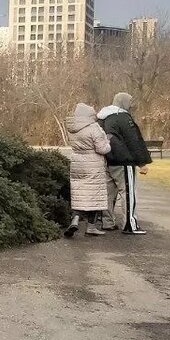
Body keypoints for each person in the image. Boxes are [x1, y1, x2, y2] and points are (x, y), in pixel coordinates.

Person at [97, 92, 151, 235]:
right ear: (124, 103)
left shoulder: (103, 118)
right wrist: (142, 163)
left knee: (108, 193)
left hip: (108, 160)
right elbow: (133, 141)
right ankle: (130, 224)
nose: (131, 104)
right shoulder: (124, 118)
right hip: (124, 161)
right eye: (130, 101)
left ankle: (107, 222)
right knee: (127, 192)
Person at [64, 102, 112, 238]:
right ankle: (91, 226)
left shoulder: (72, 129)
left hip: (77, 164)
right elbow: (102, 149)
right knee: (94, 196)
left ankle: (75, 219)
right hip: (93, 164)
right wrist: (108, 142)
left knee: (80, 194)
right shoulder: (94, 128)